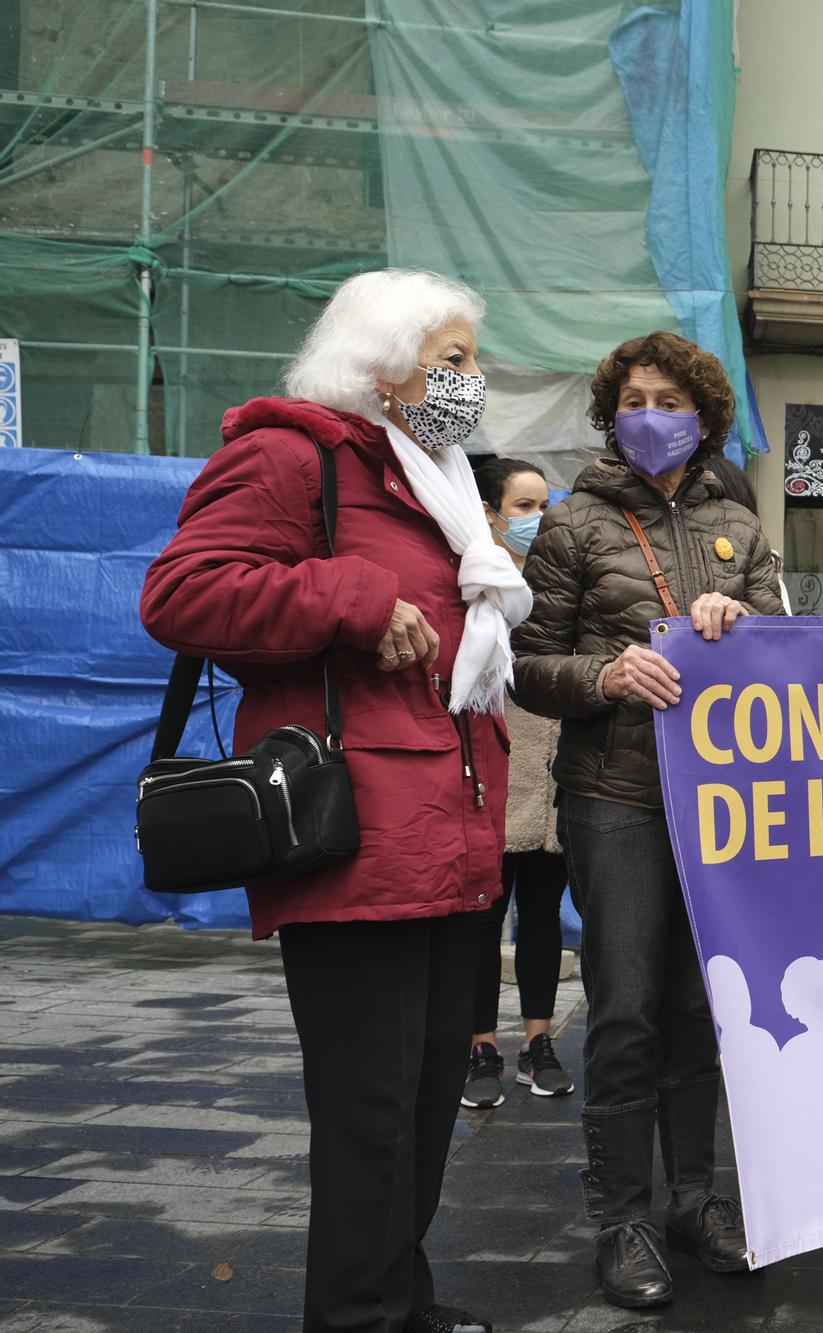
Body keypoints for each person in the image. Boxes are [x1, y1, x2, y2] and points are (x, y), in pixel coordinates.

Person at [140, 268, 528, 1333]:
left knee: (420, 1106)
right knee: (368, 1113)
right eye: (451, 360)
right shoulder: (290, 455)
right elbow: (181, 592)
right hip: (356, 834)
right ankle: (355, 1317)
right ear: (380, 361)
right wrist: (355, 598)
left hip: (450, 832)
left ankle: (401, 1302)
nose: (469, 382)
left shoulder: (434, 476)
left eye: (468, 362)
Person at [511, 331, 783, 1310]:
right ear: (610, 412)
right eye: (632, 397)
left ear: (704, 415)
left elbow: (785, 653)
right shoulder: (574, 522)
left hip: (717, 810)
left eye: (668, 397)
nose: (648, 413)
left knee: (696, 1011)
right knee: (624, 1009)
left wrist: (746, 635)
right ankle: (620, 1215)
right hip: (614, 798)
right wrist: (603, 672)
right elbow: (526, 666)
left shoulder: (739, 528)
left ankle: (692, 1199)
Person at [459, 457, 573, 1108]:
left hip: (551, 771)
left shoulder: (558, 581)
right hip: (491, 769)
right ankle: (480, 1046)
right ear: (490, 511)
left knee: (542, 914)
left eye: (543, 504)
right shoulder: (474, 581)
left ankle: (537, 1043)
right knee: (483, 917)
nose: (538, 517)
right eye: (524, 505)